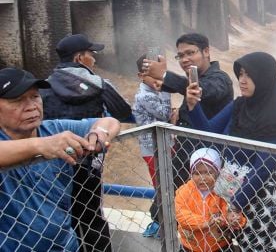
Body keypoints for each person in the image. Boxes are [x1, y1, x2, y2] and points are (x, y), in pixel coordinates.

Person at [186, 52, 276, 251]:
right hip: (230, 196)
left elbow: (263, 169)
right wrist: (193, 106)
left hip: (261, 199)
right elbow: (208, 133)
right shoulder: (239, 106)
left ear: (264, 78)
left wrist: (236, 204)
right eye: (240, 74)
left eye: (249, 75)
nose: (242, 80)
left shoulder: (274, 121)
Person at [0, 67, 121, 251]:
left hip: (67, 245)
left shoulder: (53, 129)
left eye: (35, 97)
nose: (32, 106)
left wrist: (99, 132)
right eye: (18, 100)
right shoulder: (45, 138)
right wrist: (40, 146)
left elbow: (111, 122)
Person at [40, 33, 132, 252]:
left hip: (56, 161)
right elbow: (123, 112)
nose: (95, 59)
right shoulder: (99, 84)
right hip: (90, 158)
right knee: (92, 216)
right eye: (92, 54)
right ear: (80, 58)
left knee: (64, 213)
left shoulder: (43, 87)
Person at [143, 33, 233, 190]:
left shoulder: (220, 79)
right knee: (163, 208)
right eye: (180, 56)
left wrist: (164, 75)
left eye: (191, 53)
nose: (185, 59)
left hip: (208, 166)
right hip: (184, 160)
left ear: (206, 51)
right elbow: (190, 87)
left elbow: (200, 90)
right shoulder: (194, 79)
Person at [175, 148, 246, 252]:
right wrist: (206, 222)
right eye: (197, 173)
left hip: (219, 246)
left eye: (208, 173)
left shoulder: (223, 193)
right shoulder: (184, 191)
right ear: (191, 174)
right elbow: (181, 215)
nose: (202, 178)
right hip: (190, 247)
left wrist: (236, 220)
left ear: (217, 173)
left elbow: (231, 212)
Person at [132, 54, 172, 238]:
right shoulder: (145, 96)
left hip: (161, 146)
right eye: (154, 76)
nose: (158, 80)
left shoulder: (150, 93)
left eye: (160, 75)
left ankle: (163, 223)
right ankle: (160, 224)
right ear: (141, 76)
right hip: (154, 149)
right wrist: (166, 90)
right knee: (163, 187)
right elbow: (164, 114)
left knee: (167, 184)